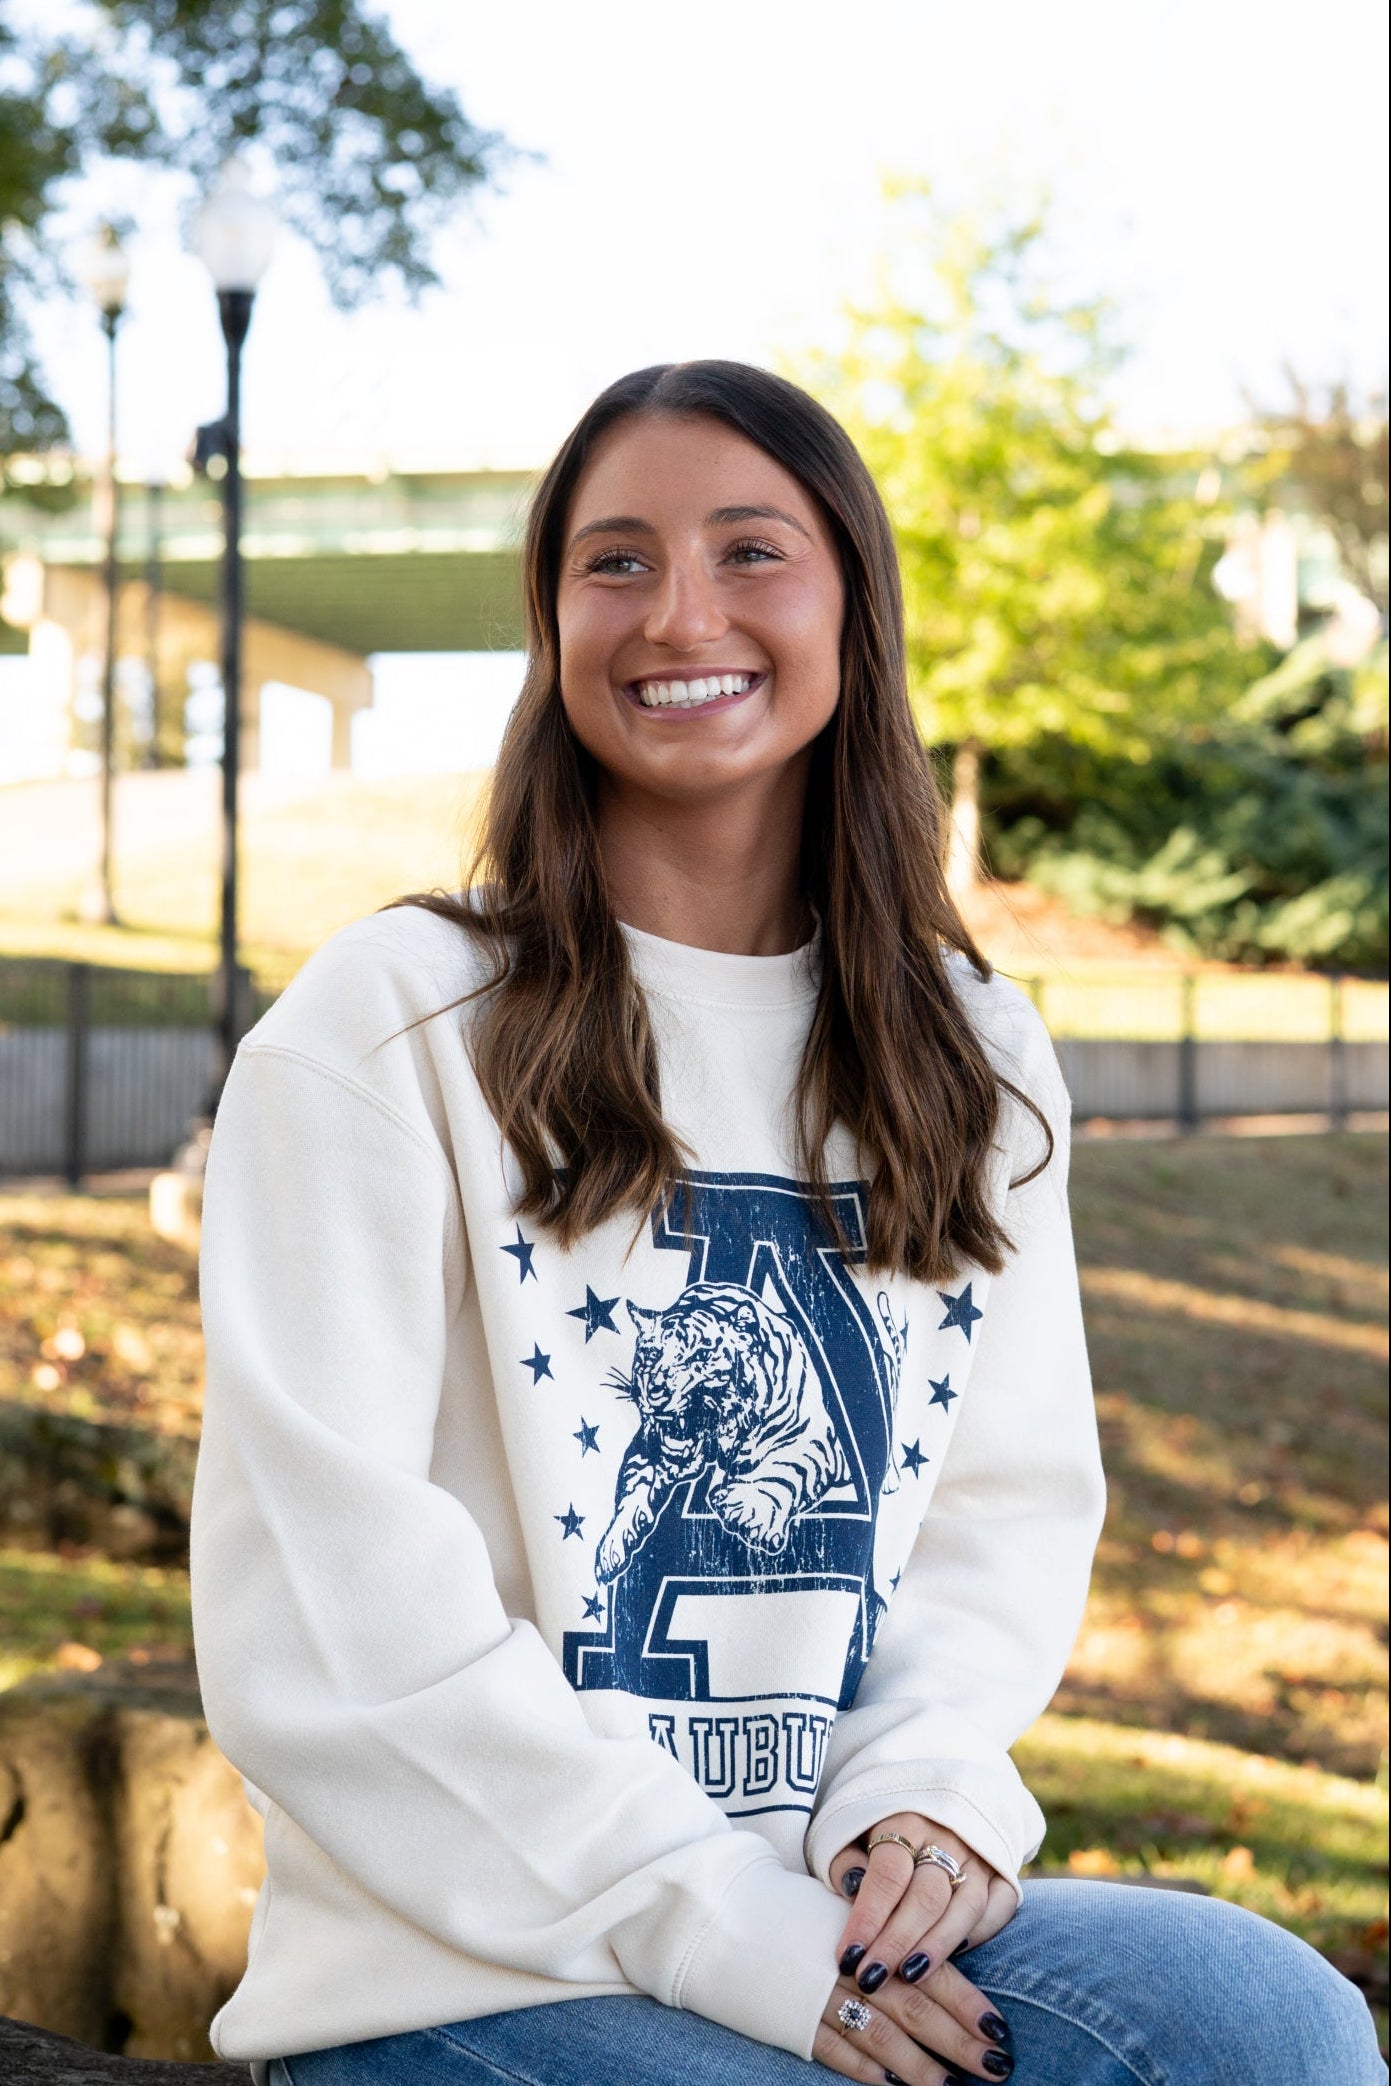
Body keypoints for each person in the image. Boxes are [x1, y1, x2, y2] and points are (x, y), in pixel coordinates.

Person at [192, 362, 1383, 2086]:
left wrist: (927, 1797)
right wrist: (726, 1932)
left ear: (851, 609)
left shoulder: (970, 1048)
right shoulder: (390, 1024)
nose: (681, 612)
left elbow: (1002, 1508)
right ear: (551, 623)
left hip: (825, 1906)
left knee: (1267, 2021)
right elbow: (332, 1620)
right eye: (615, 561)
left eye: (751, 550)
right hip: (467, 1967)